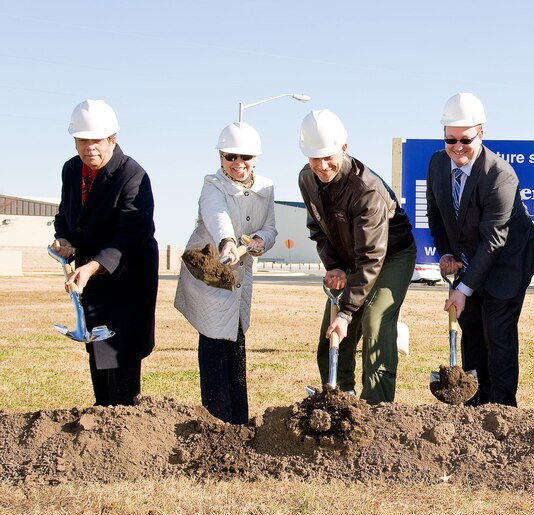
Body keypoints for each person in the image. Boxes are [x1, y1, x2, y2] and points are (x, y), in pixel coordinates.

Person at [425, 92, 534, 407]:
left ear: (481, 133)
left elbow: (494, 240)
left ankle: (502, 409)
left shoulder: (499, 176)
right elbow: (436, 213)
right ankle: (475, 403)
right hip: (473, 257)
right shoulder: (438, 164)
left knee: (497, 331)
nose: (457, 147)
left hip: (509, 261)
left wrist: (463, 289)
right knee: (472, 328)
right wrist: (446, 254)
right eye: (450, 139)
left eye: (465, 139)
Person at [298, 109, 416, 404]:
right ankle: (341, 399)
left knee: (375, 320)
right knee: (334, 331)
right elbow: (319, 228)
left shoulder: (366, 190)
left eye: (329, 157)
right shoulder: (306, 180)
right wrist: (334, 266)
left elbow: (372, 256)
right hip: (352, 258)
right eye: (315, 158)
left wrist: (347, 311)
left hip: (391, 256)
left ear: (344, 149)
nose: (323, 166)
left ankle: (378, 407)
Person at [50, 99, 158, 407]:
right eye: (82, 140)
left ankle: (122, 425)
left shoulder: (132, 175)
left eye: (96, 140)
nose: (89, 147)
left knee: (120, 352)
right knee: (96, 348)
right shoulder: (72, 170)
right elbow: (66, 216)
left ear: (112, 139)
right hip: (91, 278)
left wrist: (92, 266)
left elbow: (132, 233)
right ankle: (101, 418)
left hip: (127, 277)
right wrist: (63, 239)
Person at [174, 122, 277, 424]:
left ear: (255, 158)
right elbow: (216, 214)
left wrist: (261, 242)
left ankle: (239, 422)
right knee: (213, 343)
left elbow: (270, 228)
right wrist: (228, 241)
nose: (238, 164)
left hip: (239, 278)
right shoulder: (212, 185)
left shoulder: (266, 189)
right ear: (221, 158)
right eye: (230, 157)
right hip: (209, 273)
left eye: (244, 157)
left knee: (236, 341)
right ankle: (217, 421)